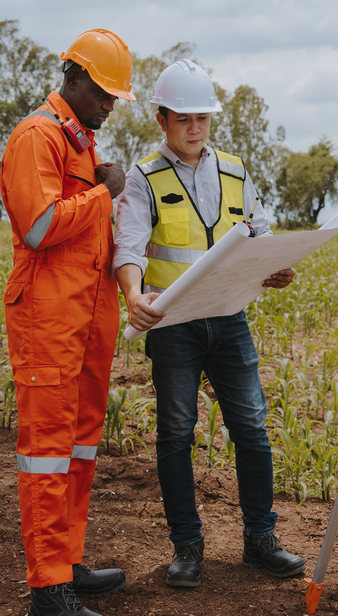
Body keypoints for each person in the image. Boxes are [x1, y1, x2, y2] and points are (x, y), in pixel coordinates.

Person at [113, 59, 304, 588]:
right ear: (161, 120)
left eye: (202, 117)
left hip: (230, 319)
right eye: (182, 119)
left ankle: (260, 540)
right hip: (173, 325)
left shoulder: (237, 172)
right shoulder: (143, 177)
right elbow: (127, 246)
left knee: (252, 431)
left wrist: (272, 268)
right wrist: (133, 294)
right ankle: (188, 547)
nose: (194, 128)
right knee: (176, 434)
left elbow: (258, 236)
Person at [0, 29, 133, 616]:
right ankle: (48, 592)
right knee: (48, 453)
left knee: (79, 446)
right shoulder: (38, 138)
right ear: (72, 78)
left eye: (114, 97)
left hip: (87, 321)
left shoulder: (83, 142)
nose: (109, 105)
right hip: (49, 324)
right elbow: (41, 227)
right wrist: (106, 191)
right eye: (103, 93)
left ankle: (69, 564)